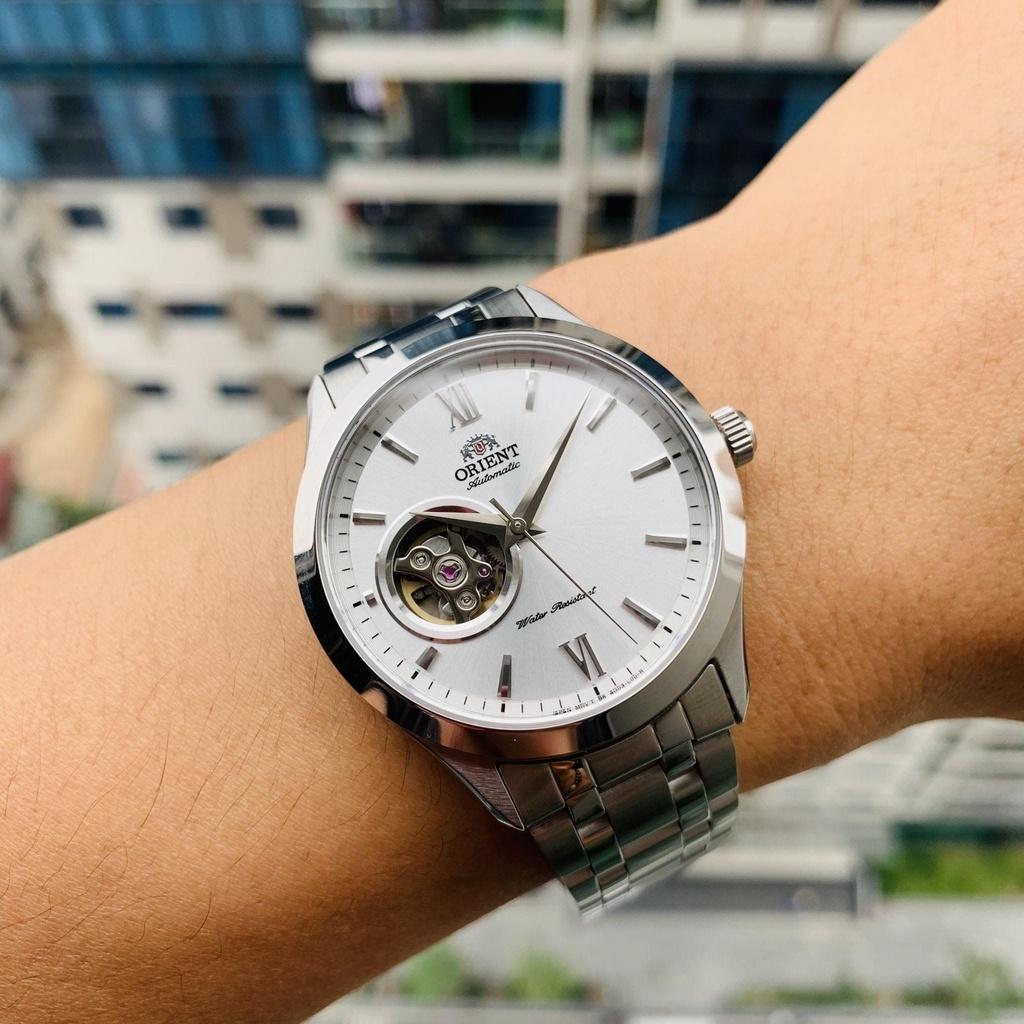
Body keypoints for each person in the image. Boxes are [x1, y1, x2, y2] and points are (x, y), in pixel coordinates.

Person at [1, 0, 1021, 1020]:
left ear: (719, 442)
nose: (515, 529)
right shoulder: (365, 551)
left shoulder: (646, 447)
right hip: (505, 696)